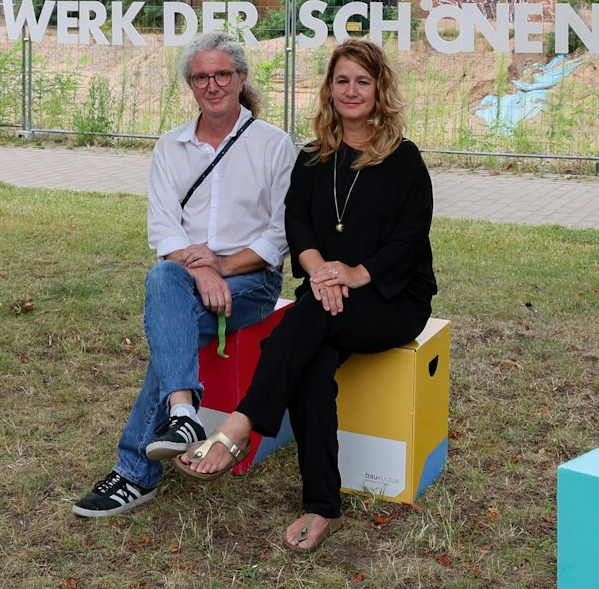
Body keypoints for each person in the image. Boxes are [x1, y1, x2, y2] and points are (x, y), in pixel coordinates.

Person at [175, 38, 436, 553]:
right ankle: (322, 506)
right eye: (342, 80)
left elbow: (409, 241)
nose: (352, 90)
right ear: (329, 89)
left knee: (295, 333)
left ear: (380, 89)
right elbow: (296, 223)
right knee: (311, 360)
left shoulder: (404, 160)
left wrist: (354, 274)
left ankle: (240, 426)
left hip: (391, 299)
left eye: (363, 80)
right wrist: (319, 272)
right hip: (326, 297)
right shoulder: (315, 158)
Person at [72, 30, 292, 518]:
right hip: (184, 277)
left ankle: (136, 469)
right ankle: (183, 416)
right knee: (162, 280)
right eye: (200, 77)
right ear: (189, 85)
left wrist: (221, 268)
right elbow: (164, 231)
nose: (212, 85)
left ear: (241, 78)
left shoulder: (274, 145)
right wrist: (200, 273)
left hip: (252, 282)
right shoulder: (170, 147)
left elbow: (279, 235)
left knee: (169, 322)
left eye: (221, 75)